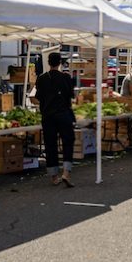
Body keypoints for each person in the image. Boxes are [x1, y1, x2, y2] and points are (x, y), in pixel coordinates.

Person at [35, 52, 76, 187]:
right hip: (63, 114)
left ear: (49, 62)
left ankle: (54, 176)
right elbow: (71, 95)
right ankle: (66, 173)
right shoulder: (66, 78)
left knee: (50, 144)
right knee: (67, 142)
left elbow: (38, 97)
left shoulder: (41, 79)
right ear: (59, 63)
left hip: (48, 116)